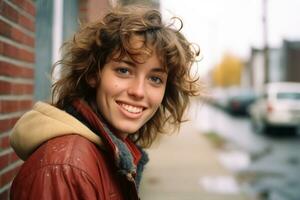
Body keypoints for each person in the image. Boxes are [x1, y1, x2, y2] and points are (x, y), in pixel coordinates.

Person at [9, 4, 200, 200]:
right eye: (124, 70)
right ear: (94, 73)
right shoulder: (65, 170)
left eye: (155, 79)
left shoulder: (109, 154)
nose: (138, 91)